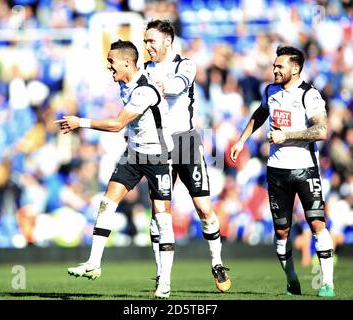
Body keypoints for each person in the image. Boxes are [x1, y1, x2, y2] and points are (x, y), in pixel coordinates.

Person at [55, 40, 175, 299]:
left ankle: (164, 280)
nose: (108, 66)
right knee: (107, 203)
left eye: (111, 61)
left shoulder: (145, 90)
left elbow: (118, 124)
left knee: (161, 219)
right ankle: (93, 263)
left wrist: (80, 122)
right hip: (133, 153)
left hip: (158, 156)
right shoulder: (124, 84)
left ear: (127, 63)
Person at [230, 46, 335, 297]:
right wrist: (241, 140)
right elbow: (260, 113)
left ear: (295, 68)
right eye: (274, 66)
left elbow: (321, 131)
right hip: (277, 171)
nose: (274, 69)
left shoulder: (309, 95)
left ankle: (327, 283)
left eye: (280, 66)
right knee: (281, 230)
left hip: (305, 168)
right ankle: (292, 280)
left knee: (317, 223)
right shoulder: (271, 90)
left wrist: (286, 135)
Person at [144, 20, 231, 293]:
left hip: (185, 142)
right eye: (145, 41)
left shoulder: (186, 65)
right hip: (158, 144)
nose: (147, 47)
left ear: (167, 42)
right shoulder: (144, 69)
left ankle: (216, 262)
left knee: (204, 209)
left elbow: (177, 86)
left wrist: (155, 85)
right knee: (159, 213)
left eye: (151, 41)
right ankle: (162, 276)